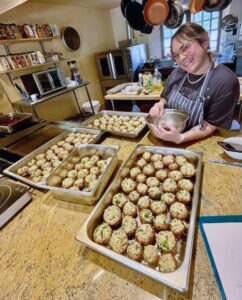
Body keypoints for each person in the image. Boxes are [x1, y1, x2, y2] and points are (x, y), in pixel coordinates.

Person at [149, 22, 240, 144]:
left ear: (205, 41)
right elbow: (165, 97)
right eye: (176, 55)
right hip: (167, 138)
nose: (181, 58)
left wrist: (181, 138)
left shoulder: (225, 80)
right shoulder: (178, 72)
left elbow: (211, 125)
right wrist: (159, 104)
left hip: (198, 143)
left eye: (185, 48)